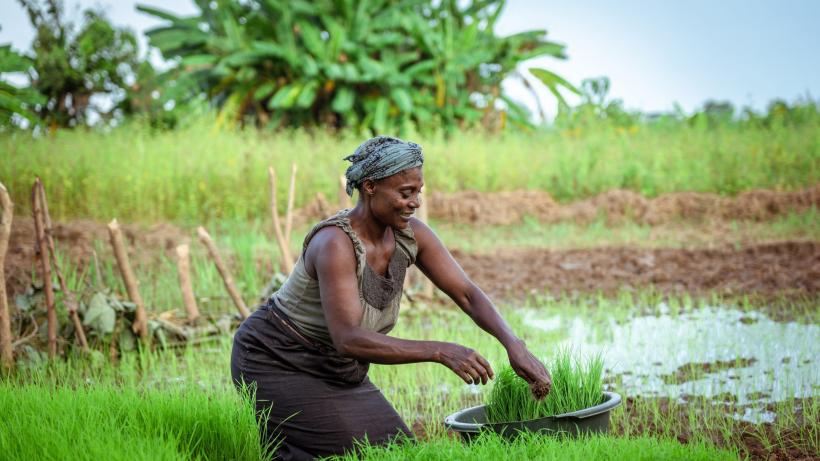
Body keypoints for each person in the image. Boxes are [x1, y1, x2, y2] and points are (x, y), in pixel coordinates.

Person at [231, 135, 551, 460]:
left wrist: (514, 344)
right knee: (356, 453)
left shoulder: (411, 236)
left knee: (399, 451)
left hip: (338, 367)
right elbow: (348, 338)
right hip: (276, 359)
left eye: (418, 192)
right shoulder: (334, 244)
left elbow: (467, 294)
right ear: (370, 186)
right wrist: (440, 351)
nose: (415, 202)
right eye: (405, 193)